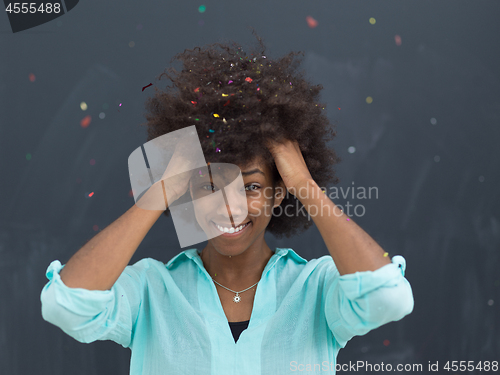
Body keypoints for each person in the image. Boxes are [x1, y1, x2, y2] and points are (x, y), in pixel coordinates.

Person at [40, 31, 414, 374]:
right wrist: (159, 192)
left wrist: (304, 184)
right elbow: (66, 306)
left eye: (251, 187)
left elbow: (388, 298)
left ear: (278, 192)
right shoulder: (151, 290)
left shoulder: (316, 288)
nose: (230, 209)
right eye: (208, 187)